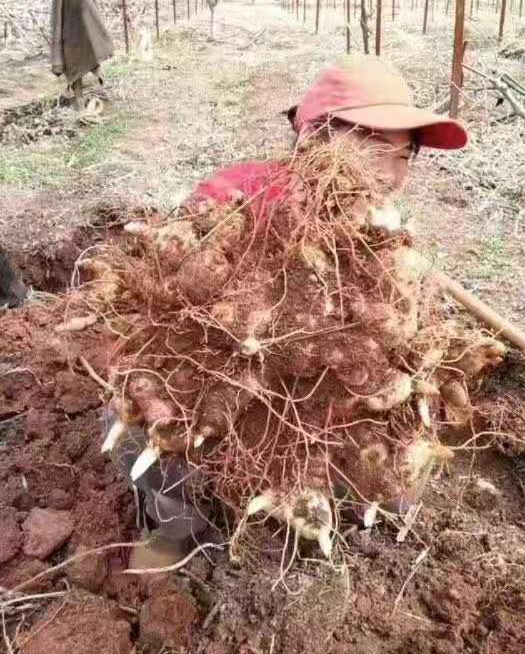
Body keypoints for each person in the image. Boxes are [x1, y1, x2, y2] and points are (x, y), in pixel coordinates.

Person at [108, 54, 468, 568]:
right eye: (370, 146)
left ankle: (307, 533)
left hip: (322, 407)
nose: (390, 172)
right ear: (315, 140)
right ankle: (171, 537)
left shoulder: (386, 225)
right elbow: (169, 309)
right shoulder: (235, 195)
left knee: (394, 482)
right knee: (153, 443)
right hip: (218, 384)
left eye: (405, 155)